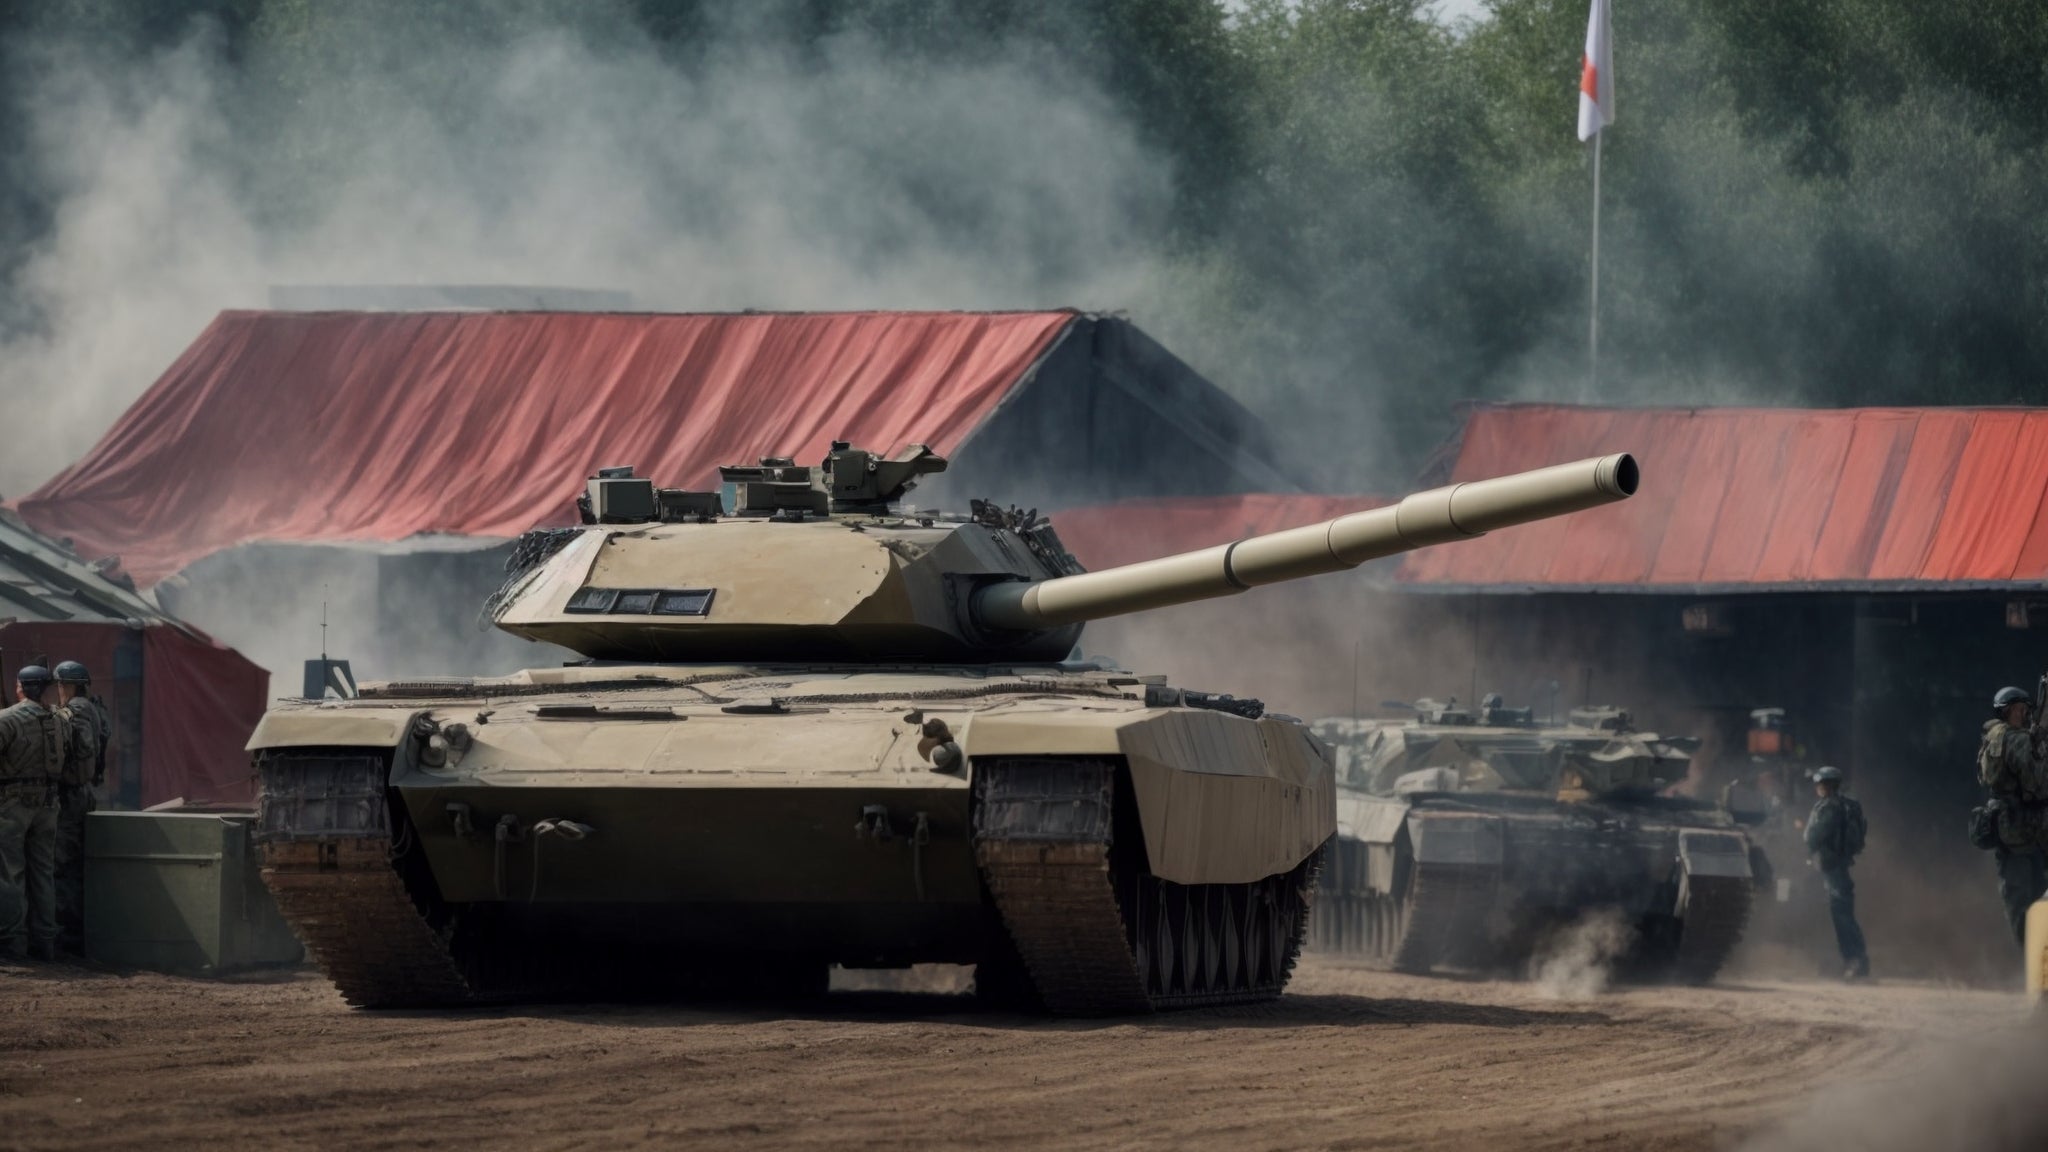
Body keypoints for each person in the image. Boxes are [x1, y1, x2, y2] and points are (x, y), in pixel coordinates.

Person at [0, 666, 69, 961]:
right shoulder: (61, 719)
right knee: (43, 873)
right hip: (49, 803)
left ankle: (11, 943)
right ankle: (45, 943)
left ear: (21, 687)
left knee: (10, 873)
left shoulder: (7, 719)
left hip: (12, 804)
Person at [1977, 686, 2048, 945]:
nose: (2025, 714)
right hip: (2018, 832)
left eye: (2026, 710)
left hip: (2029, 831)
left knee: (2036, 899)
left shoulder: (2002, 737)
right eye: (2019, 710)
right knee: (2022, 902)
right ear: (2006, 712)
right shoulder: (2009, 737)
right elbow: (2037, 783)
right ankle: (2037, 961)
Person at [53, 661, 108, 956]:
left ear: (67, 685)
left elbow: (79, 753)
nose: (58, 691)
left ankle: (66, 937)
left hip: (71, 793)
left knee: (62, 866)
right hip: (85, 792)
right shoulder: (94, 709)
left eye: (59, 685)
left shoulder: (74, 712)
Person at [1802, 765, 1869, 980]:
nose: (1817, 788)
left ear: (1826, 785)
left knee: (1841, 916)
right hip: (1838, 866)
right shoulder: (1847, 806)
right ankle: (1852, 963)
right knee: (1839, 915)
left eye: (1820, 784)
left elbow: (1812, 837)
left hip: (1831, 869)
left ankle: (1855, 963)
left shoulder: (1829, 807)